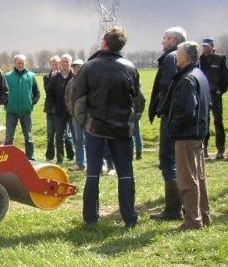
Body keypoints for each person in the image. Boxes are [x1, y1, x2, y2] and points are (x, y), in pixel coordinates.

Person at [72, 26, 144, 228]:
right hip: (121, 130)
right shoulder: (130, 67)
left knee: (93, 174)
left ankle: (90, 219)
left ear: (104, 42)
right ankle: (130, 218)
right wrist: (131, 122)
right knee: (126, 173)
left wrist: (85, 123)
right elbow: (139, 101)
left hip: (96, 129)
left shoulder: (89, 67)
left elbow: (77, 100)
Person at [161, 41, 211, 229]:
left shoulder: (188, 79)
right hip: (198, 133)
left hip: (186, 135)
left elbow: (187, 110)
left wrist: (173, 127)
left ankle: (192, 220)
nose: (175, 56)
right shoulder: (200, 75)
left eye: (178, 53)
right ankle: (203, 215)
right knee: (198, 177)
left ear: (186, 56)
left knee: (187, 178)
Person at [148, 26, 187, 221]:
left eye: (164, 38)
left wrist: (162, 109)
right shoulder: (176, 57)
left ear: (172, 40)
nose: (162, 42)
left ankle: (173, 209)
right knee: (173, 160)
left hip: (171, 118)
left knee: (168, 160)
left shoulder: (171, 59)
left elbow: (169, 88)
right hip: (175, 117)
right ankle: (180, 205)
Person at [4, 54, 40, 160]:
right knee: (9, 137)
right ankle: (6, 158)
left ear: (25, 63)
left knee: (28, 137)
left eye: (22, 63)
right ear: (14, 63)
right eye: (19, 63)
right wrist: (7, 102)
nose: (21, 65)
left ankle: (30, 157)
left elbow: (37, 93)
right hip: (11, 111)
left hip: (26, 112)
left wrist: (31, 103)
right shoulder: (7, 76)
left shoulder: (31, 76)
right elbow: (3, 92)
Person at [198, 37, 228, 159]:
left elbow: (226, 76)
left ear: (212, 46)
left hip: (215, 94)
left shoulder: (220, 59)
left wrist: (221, 90)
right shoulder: (199, 60)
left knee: (218, 121)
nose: (204, 48)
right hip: (204, 94)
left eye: (206, 46)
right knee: (204, 121)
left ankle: (220, 149)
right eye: (203, 46)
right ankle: (204, 148)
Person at [45, 54, 74, 164]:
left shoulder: (75, 77)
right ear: (60, 63)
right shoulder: (55, 78)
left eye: (67, 61)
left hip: (71, 112)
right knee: (59, 136)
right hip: (59, 111)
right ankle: (60, 159)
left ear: (71, 63)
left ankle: (79, 159)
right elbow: (49, 93)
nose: (65, 63)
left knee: (75, 136)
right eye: (63, 61)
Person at [66, 58, 86, 172]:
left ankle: (97, 163)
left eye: (78, 67)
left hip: (88, 116)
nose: (76, 69)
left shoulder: (89, 80)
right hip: (75, 116)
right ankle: (80, 163)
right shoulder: (70, 82)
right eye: (74, 67)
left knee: (91, 139)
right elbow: (67, 97)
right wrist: (71, 110)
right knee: (78, 139)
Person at [43, 55, 60, 160]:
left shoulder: (62, 76)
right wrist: (52, 79)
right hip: (49, 109)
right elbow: (48, 91)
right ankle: (49, 156)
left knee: (60, 135)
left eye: (56, 64)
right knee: (50, 134)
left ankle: (60, 156)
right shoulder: (46, 77)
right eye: (53, 64)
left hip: (59, 110)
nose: (55, 66)